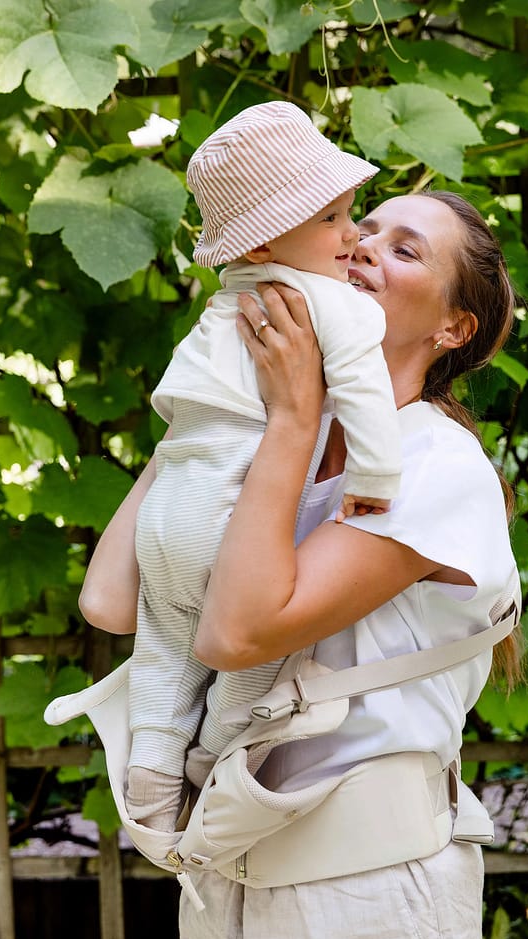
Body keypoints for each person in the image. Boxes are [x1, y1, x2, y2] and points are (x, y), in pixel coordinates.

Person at [77, 187, 524, 939]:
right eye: (364, 227)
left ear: (452, 328)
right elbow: (109, 600)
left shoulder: (436, 465)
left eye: (405, 248)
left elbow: (238, 636)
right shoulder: (272, 440)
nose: (361, 246)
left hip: (369, 898)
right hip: (224, 884)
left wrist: (288, 419)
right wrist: (215, 414)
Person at [120, 101, 402, 828]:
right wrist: (372, 481)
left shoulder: (228, 302)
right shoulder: (330, 306)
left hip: (164, 516)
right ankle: (214, 767)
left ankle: (149, 783)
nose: (353, 236)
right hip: (227, 519)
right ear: (270, 236)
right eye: (333, 220)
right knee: (255, 662)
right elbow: (365, 392)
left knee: (164, 650)